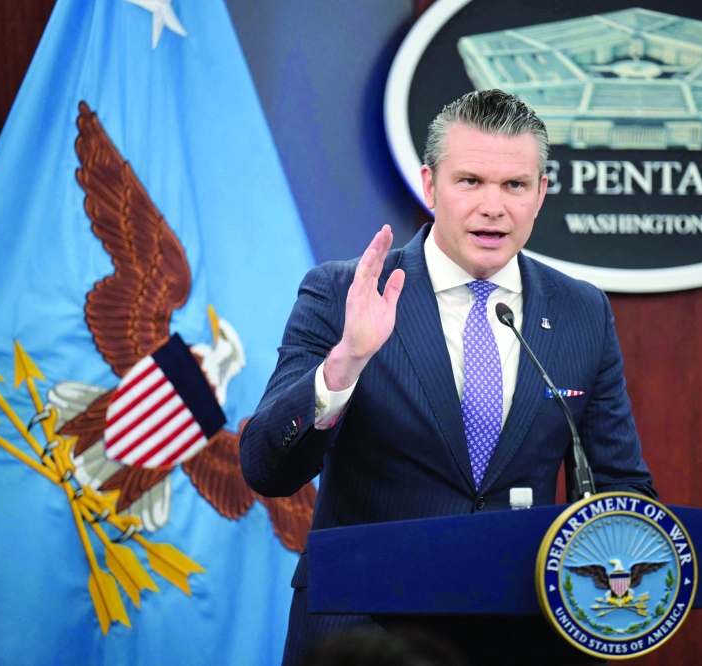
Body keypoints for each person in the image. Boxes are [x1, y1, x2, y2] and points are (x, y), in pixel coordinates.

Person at [240, 89, 655, 665]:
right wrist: (346, 362)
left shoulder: (582, 309)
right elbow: (267, 469)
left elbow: (623, 489)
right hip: (364, 637)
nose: (494, 207)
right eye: (470, 182)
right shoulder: (343, 293)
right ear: (431, 186)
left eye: (514, 185)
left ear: (541, 193)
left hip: (522, 635)